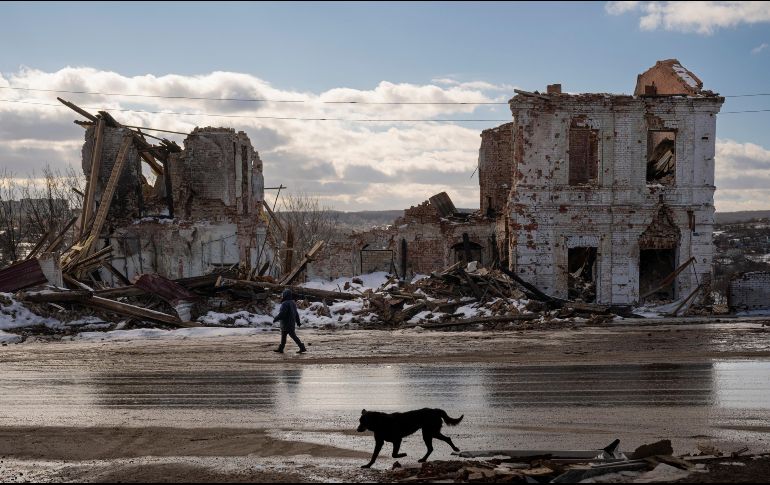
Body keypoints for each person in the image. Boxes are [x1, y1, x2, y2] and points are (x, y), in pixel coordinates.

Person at [273, 288, 307, 353]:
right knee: (284, 336)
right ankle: (281, 348)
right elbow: (296, 313)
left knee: (292, 336)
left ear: (285, 295)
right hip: (291, 323)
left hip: (286, 323)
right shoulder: (292, 303)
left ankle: (302, 347)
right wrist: (298, 322)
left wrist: (276, 318)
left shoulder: (285, 303)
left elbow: (282, 314)